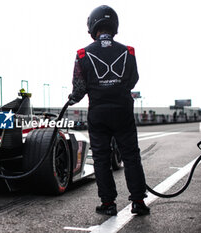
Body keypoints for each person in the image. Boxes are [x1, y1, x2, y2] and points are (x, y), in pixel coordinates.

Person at [68, 5, 150, 216]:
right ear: (114, 26)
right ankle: (139, 202)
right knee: (131, 156)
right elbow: (133, 80)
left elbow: (79, 88)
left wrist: (73, 98)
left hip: (99, 113)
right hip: (123, 110)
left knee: (102, 159)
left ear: (92, 26)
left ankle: (108, 204)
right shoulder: (128, 51)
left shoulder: (82, 54)